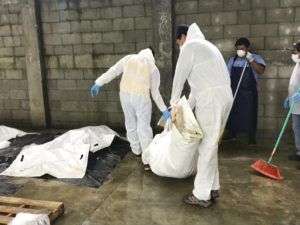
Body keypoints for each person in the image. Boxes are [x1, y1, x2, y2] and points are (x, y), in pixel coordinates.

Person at [170, 23, 233, 208]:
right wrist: (184, 109)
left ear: (182, 37)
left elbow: (178, 77)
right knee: (211, 144)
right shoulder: (208, 47)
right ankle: (213, 187)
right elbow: (196, 90)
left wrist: (173, 104)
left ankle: (201, 195)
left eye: (178, 42)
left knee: (206, 147)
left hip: (212, 100)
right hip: (223, 98)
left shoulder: (190, 46)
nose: (179, 46)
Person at [90, 48, 170, 156]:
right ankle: (147, 157)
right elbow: (155, 93)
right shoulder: (152, 67)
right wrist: (164, 110)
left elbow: (113, 71)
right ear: (152, 56)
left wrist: (99, 83)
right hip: (141, 97)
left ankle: (136, 150)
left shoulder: (128, 58)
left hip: (125, 94)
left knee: (130, 122)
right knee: (144, 127)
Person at [225, 38, 266, 145]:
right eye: (238, 49)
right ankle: (232, 134)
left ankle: (251, 137)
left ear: (247, 48)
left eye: (242, 49)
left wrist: (251, 60)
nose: (240, 51)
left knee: (250, 114)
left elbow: (260, 71)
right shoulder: (232, 60)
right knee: (232, 113)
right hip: (234, 92)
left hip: (249, 93)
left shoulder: (256, 58)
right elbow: (227, 76)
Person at [283, 42, 300, 162]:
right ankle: (299, 152)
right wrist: (289, 96)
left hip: (298, 100)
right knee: (296, 128)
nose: (293, 54)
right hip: (296, 103)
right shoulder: (298, 65)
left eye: (295, 51)